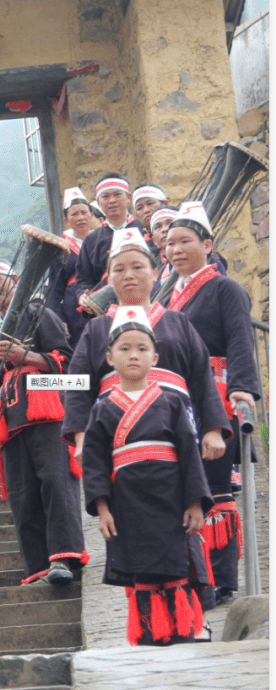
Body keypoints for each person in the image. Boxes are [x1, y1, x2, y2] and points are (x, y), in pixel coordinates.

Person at [82, 307, 213, 645]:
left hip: (170, 497)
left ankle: (186, 626)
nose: (134, 356)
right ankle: (150, 629)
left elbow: (189, 456)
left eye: (142, 348)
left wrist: (195, 503)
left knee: (176, 560)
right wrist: (103, 508)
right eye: (124, 349)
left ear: (156, 356)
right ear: (109, 358)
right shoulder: (102, 407)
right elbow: (96, 463)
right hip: (127, 500)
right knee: (139, 565)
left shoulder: (170, 402)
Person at [63, 228, 232, 465]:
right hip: (116, 434)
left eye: (138, 267)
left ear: (155, 273)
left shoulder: (178, 321)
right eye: (119, 269)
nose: (128, 275)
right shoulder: (96, 328)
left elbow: (201, 377)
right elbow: (78, 384)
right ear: (110, 280)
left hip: (178, 431)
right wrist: (81, 439)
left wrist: (213, 429)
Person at [162, 202, 260, 606]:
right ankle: (196, 576)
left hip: (216, 399)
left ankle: (221, 581)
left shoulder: (225, 288)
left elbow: (240, 339)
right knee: (187, 489)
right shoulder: (169, 294)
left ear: (208, 244)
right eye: (169, 243)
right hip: (178, 402)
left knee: (216, 491)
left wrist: (242, 390)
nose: (175, 249)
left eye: (185, 241)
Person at [0, 260, 86, 585]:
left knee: (55, 481)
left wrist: (25, 360)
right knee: (23, 493)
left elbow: (70, 369)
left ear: (14, 281)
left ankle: (65, 559)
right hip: (10, 421)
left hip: (48, 412)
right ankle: (38, 568)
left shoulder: (39, 312)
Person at [75, 175, 148, 312]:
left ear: (128, 197)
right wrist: (82, 296)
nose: (112, 200)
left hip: (146, 305)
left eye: (117, 194)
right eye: (106, 196)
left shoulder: (144, 231)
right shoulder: (91, 241)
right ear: (98, 202)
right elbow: (84, 279)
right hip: (106, 312)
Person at [48, 187, 100, 348]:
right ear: (66, 220)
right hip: (74, 311)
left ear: (92, 215)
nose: (81, 218)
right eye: (74, 214)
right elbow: (54, 290)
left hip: (105, 302)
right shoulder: (60, 248)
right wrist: (58, 319)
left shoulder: (103, 240)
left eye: (84, 212)